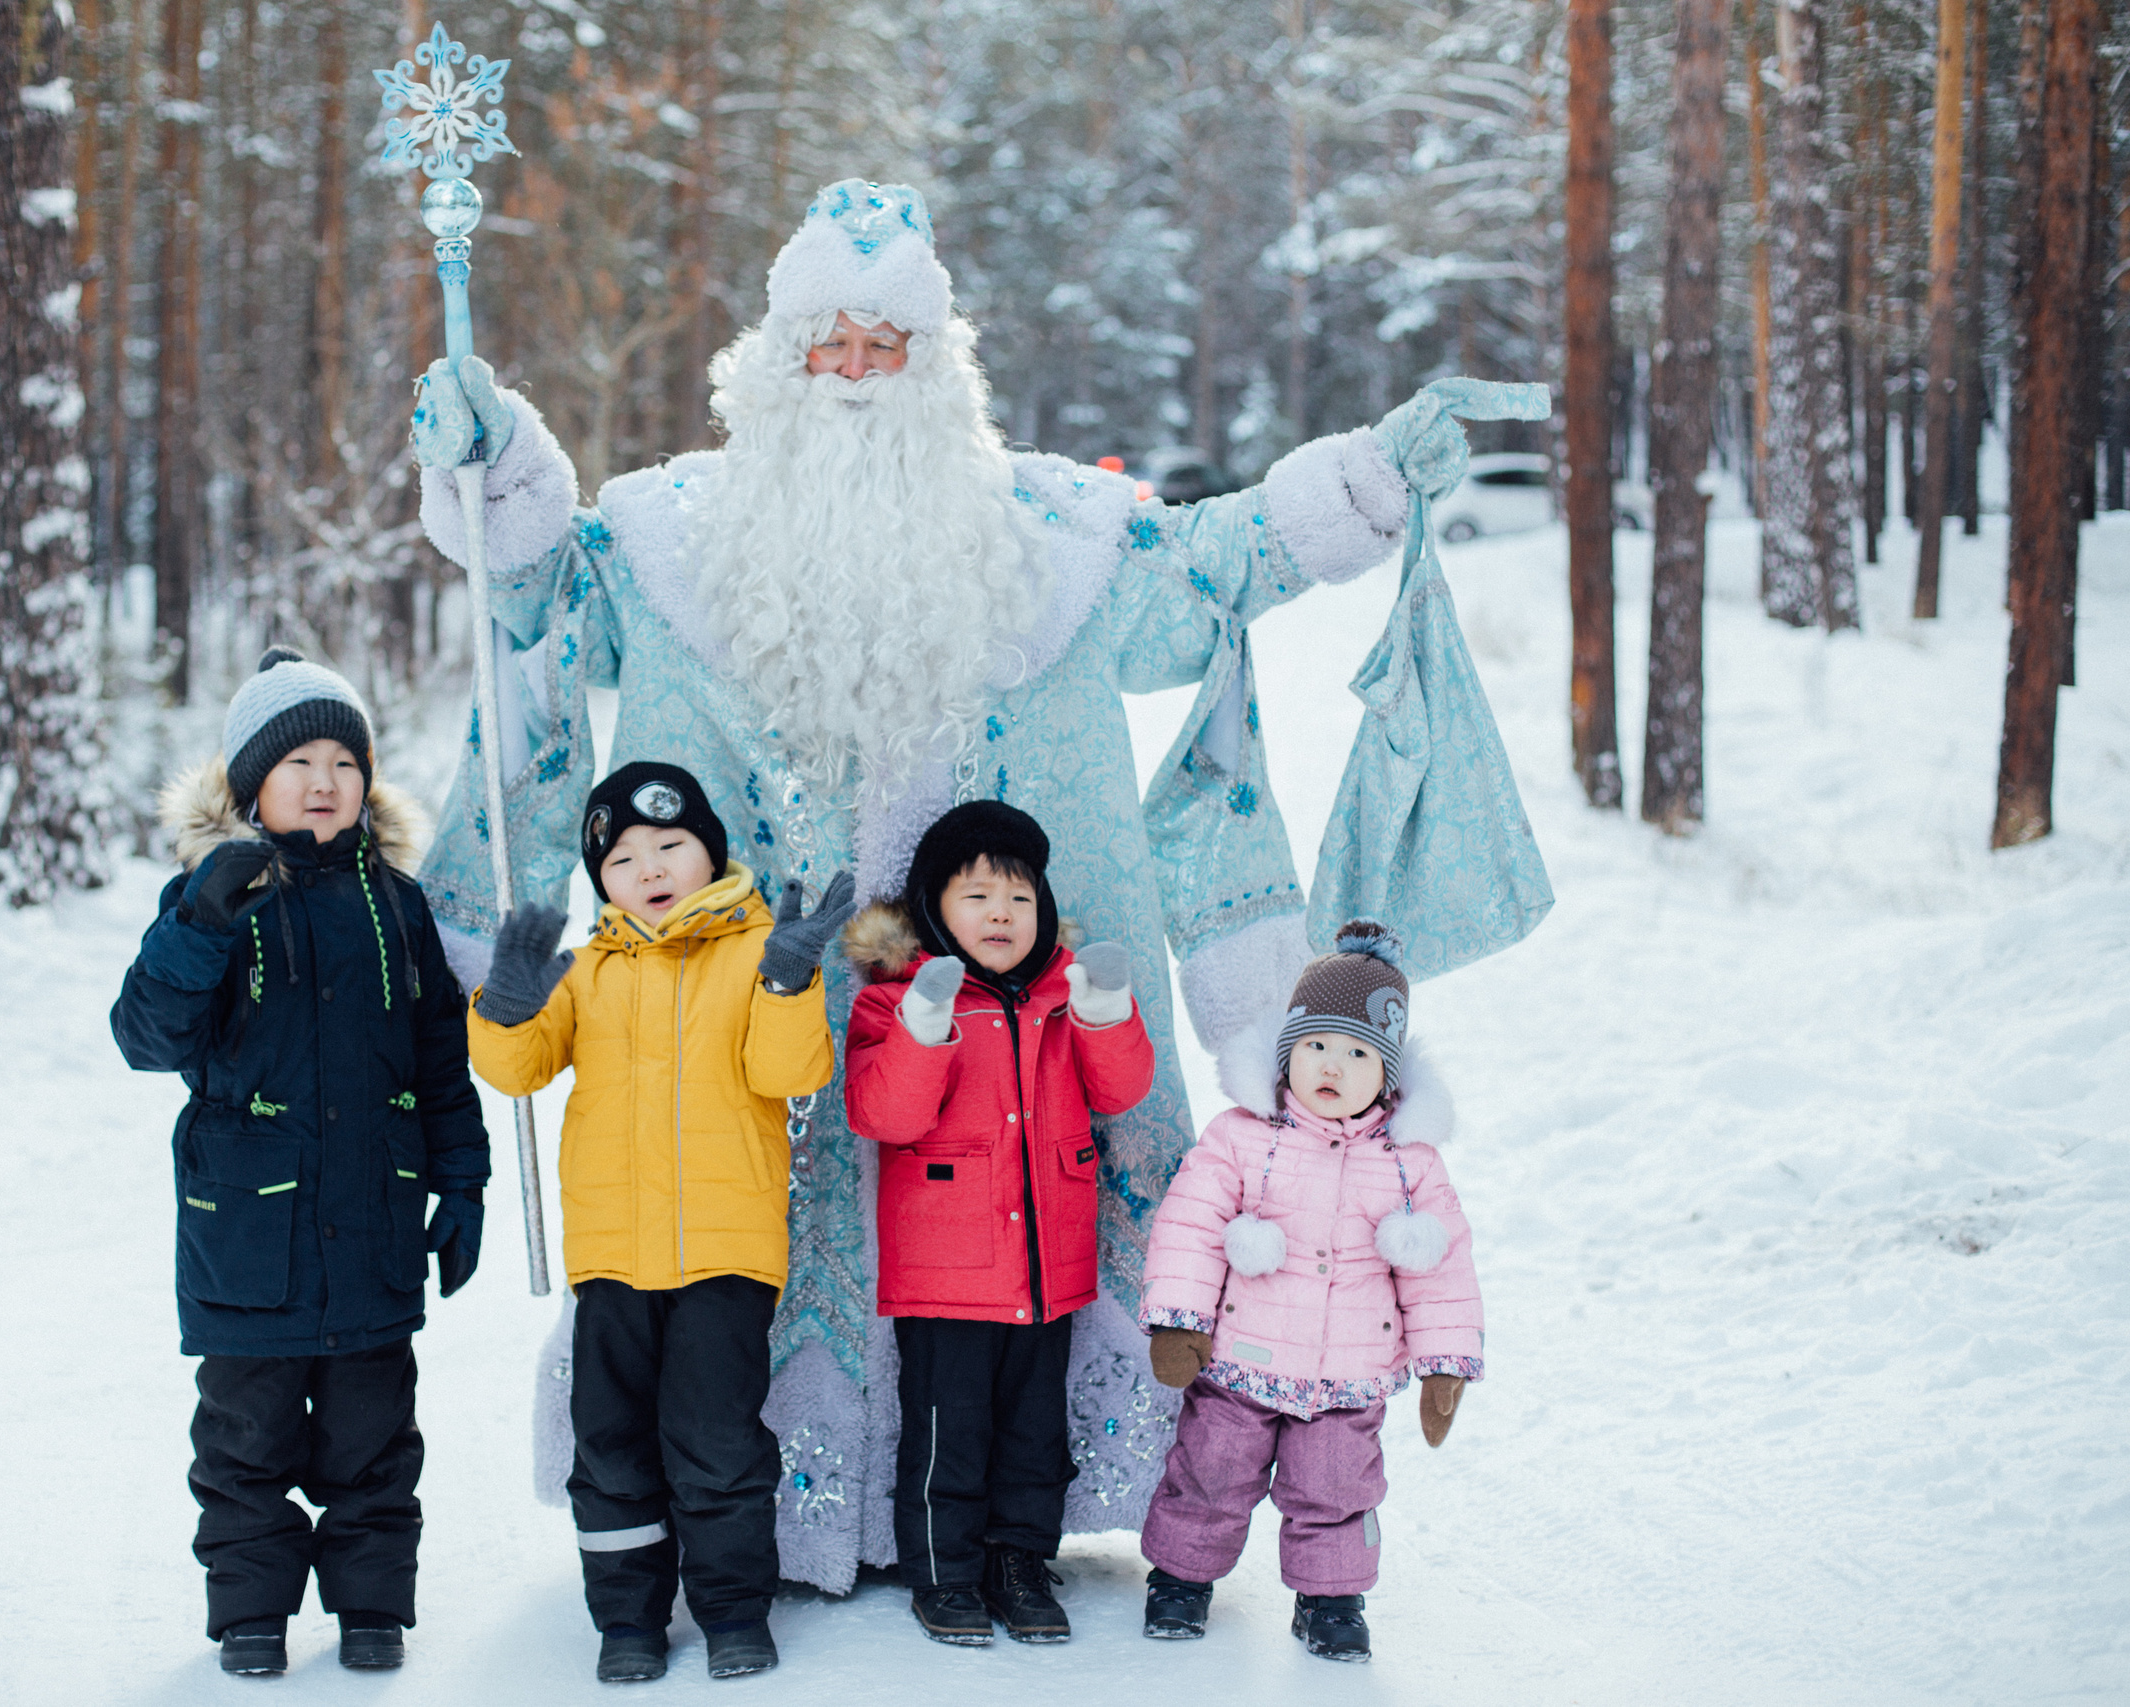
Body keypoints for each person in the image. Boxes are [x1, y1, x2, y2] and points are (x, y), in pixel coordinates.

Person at [404, 178, 1497, 1587]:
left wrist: (1369, 475)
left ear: (937, 366)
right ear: (779, 361)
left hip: (1004, 1028)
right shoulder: (669, 540)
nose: (857, 373)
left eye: (888, 346)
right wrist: (489, 461)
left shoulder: (1055, 538)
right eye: (830, 344)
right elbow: (537, 591)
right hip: (760, 1023)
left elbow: (1221, 559)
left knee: (1007, 1263)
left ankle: (996, 1522)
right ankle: (763, 1515)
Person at [109, 646, 491, 1677]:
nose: (325, 782)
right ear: (250, 784)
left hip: (371, 1227)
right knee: (244, 1444)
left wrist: (463, 1183)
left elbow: (440, 1067)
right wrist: (196, 924)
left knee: (375, 1440)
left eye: (344, 761)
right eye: (299, 763)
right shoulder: (208, 897)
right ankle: (250, 1614)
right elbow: (147, 1039)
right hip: (248, 1241)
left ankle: (372, 1608)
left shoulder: (398, 907)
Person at [466, 761, 857, 1683]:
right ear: (600, 878)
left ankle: (730, 1610)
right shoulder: (587, 971)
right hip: (612, 1256)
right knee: (609, 1445)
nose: (649, 868)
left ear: (710, 853)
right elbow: (517, 1070)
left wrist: (789, 981)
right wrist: (509, 1004)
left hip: (726, 1252)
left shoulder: (756, 949)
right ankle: (628, 1620)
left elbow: (790, 1074)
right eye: (624, 856)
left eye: (671, 845)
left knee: (716, 1439)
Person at [842, 802, 1156, 1646]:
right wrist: (925, 1025)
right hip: (947, 1275)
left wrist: (1105, 1011)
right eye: (977, 896)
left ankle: (1019, 1560)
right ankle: (943, 1574)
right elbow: (884, 1112)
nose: (1000, 915)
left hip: (1045, 1265)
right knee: (948, 1432)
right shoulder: (893, 1001)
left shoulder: (1064, 996)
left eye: (1019, 898)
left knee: (1031, 1432)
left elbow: (1121, 1091)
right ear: (933, 909)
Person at [1135, 921, 1483, 1663]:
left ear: (1386, 1075)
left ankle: (1331, 1598)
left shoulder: (1408, 1165)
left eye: (1358, 1053)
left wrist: (1444, 1365)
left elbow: (1440, 1270)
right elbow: (1191, 1224)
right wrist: (1179, 1320)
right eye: (1317, 1045)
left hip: (1347, 1374)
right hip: (1238, 1361)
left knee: (1337, 1488)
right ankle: (1180, 1578)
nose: (1332, 1065)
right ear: (1288, 1049)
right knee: (1210, 1471)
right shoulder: (1240, 1137)